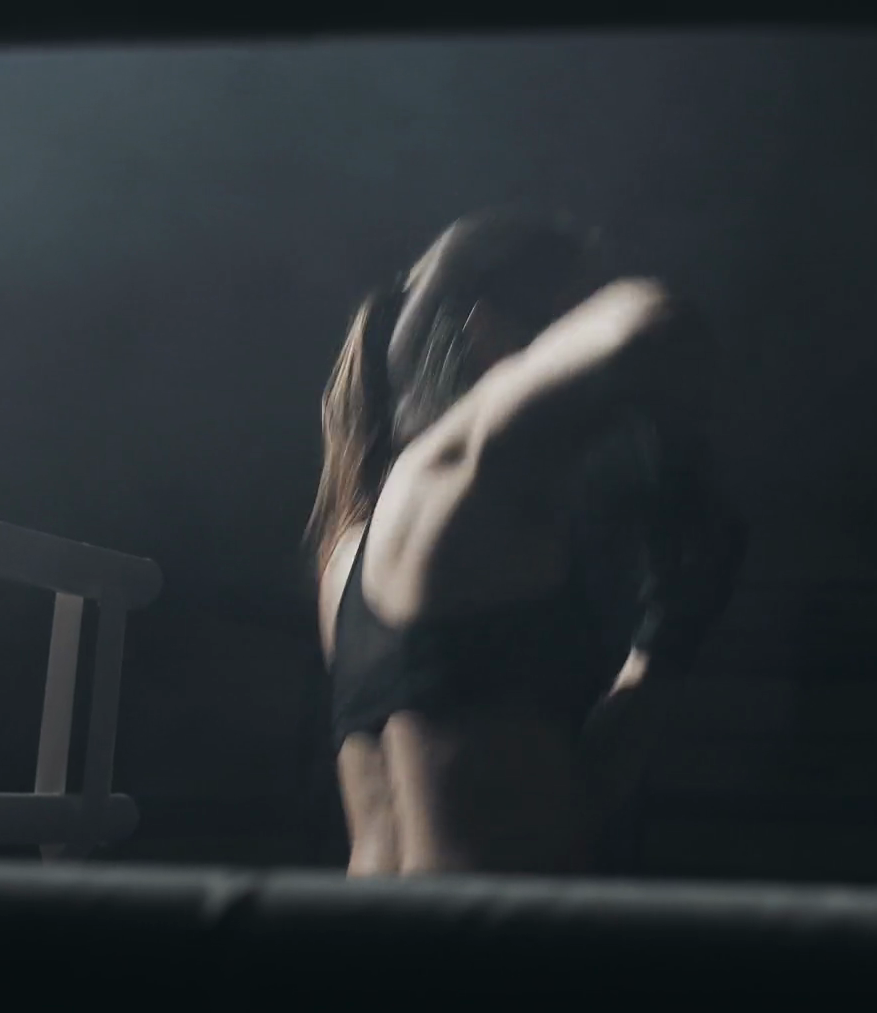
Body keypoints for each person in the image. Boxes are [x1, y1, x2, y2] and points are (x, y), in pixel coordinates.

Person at [306, 210, 744, 876]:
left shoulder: (347, 556)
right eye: (566, 319)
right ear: (487, 332)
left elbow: (547, 799)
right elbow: (654, 320)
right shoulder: (459, 464)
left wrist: (658, 652)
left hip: (387, 931)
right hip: (482, 934)